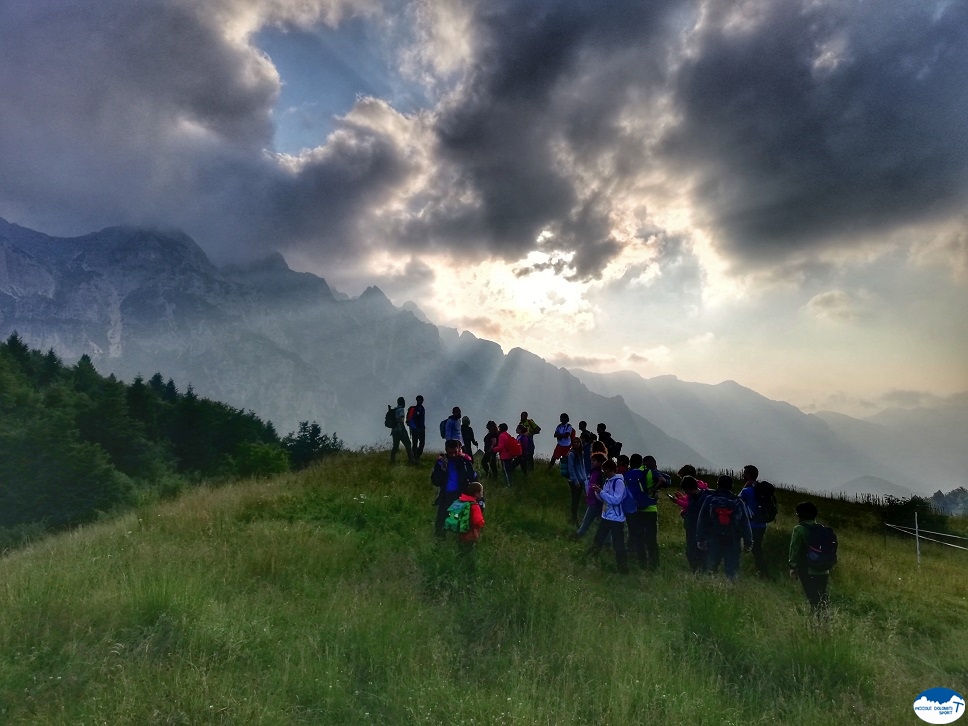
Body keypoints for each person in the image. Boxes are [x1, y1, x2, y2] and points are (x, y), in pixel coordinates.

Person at [697, 474, 753, 581]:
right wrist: (748, 542)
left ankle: (710, 588)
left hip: (713, 537)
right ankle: (731, 590)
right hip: (733, 539)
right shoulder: (737, 501)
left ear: (718, 484)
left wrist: (700, 538)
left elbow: (702, 520)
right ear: (731, 486)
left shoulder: (710, 499)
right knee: (731, 570)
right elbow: (745, 523)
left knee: (711, 567)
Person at [788, 501, 833, 616]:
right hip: (824, 569)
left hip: (808, 569)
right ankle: (825, 619)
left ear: (800, 515)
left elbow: (794, 549)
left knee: (812, 598)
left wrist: (792, 567)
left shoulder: (799, 529)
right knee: (822, 595)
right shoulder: (821, 528)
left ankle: (816, 622)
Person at [586, 459, 629, 574]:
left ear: (611, 470)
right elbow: (604, 499)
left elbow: (616, 500)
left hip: (616, 518)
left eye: (606, 470)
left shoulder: (618, 482)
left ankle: (623, 568)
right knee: (598, 539)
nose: (604, 473)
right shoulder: (608, 481)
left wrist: (602, 492)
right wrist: (598, 492)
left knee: (618, 544)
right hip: (606, 516)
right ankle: (590, 559)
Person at [431, 438, 478, 537]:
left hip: (461, 497)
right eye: (450, 452)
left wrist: (478, 497)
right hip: (446, 496)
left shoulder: (465, 461)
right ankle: (440, 544)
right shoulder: (441, 462)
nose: (452, 454)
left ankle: (462, 546)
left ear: (459, 449)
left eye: (455, 452)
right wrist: (442, 469)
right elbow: (435, 481)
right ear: (446, 450)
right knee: (441, 523)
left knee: (462, 523)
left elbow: (473, 478)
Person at [639, 455, 670, 569]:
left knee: (639, 536)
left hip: (639, 508)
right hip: (651, 509)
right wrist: (654, 489)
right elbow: (662, 480)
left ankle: (641, 562)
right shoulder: (653, 472)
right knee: (651, 538)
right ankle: (654, 564)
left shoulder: (639, 471)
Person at [738, 464, 770, 578]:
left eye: (745, 473)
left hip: (751, 524)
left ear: (749, 475)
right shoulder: (759, 489)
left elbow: (736, 502)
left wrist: (744, 487)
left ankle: (762, 572)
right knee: (757, 549)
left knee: (752, 548)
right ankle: (761, 571)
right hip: (761, 524)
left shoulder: (747, 491)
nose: (743, 475)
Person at [623, 453, 650, 570]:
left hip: (629, 507)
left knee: (632, 530)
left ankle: (630, 549)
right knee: (640, 532)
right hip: (643, 507)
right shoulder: (643, 474)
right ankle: (642, 558)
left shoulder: (626, 475)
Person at [679, 476, 710, 572]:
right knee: (690, 552)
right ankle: (696, 571)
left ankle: (701, 572)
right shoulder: (694, 497)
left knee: (701, 553)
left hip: (701, 531)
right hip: (691, 529)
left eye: (686, 490)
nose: (685, 493)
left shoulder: (704, 497)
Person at [574, 452, 606, 538]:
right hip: (596, 500)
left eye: (594, 461)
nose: (592, 462)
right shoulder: (595, 472)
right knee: (603, 522)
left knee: (587, 521)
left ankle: (578, 536)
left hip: (595, 501)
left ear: (600, 462)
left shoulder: (599, 473)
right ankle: (607, 543)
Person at [456, 481, 486, 560]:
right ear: (476, 493)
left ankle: (458, 564)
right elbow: (478, 521)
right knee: (469, 553)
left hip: (460, 532)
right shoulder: (474, 505)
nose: (482, 494)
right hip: (470, 534)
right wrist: (482, 523)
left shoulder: (461, 501)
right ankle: (468, 568)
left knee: (460, 551)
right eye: (481, 492)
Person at [561, 437, 587, 526]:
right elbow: (571, 468)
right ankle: (574, 518)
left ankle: (575, 518)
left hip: (581, 479)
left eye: (578, 442)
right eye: (575, 442)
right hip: (574, 481)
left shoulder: (581, 453)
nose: (576, 444)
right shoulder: (571, 454)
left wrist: (584, 478)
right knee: (575, 500)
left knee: (578, 500)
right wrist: (575, 480)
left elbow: (583, 467)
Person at [493, 423, 526, 487]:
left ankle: (509, 485)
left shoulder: (502, 435)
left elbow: (501, 446)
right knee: (509, 470)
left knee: (506, 471)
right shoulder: (507, 435)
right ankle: (510, 483)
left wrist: (494, 449)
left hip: (505, 456)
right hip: (510, 455)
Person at [390, 396, 415, 464]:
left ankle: (392, 460)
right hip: (400, 430)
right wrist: (403, 428)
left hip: (394, 431)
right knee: (408, 444)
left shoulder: (394, 410)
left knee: (395, 445)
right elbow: (401, 420)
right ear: (402, 402)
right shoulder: (401, 409)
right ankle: (411, 460)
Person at [408, 395, 426, 462]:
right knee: (415, 444)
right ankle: (414, 458)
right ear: (417, 400)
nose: (420, 401)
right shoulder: (414, 409)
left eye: (421, 400)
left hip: (421, 429)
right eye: (418, 400)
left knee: (422, 444)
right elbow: (411, 419)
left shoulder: (423, 409)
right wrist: (414, 428)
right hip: (415, 429)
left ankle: (417, 456)